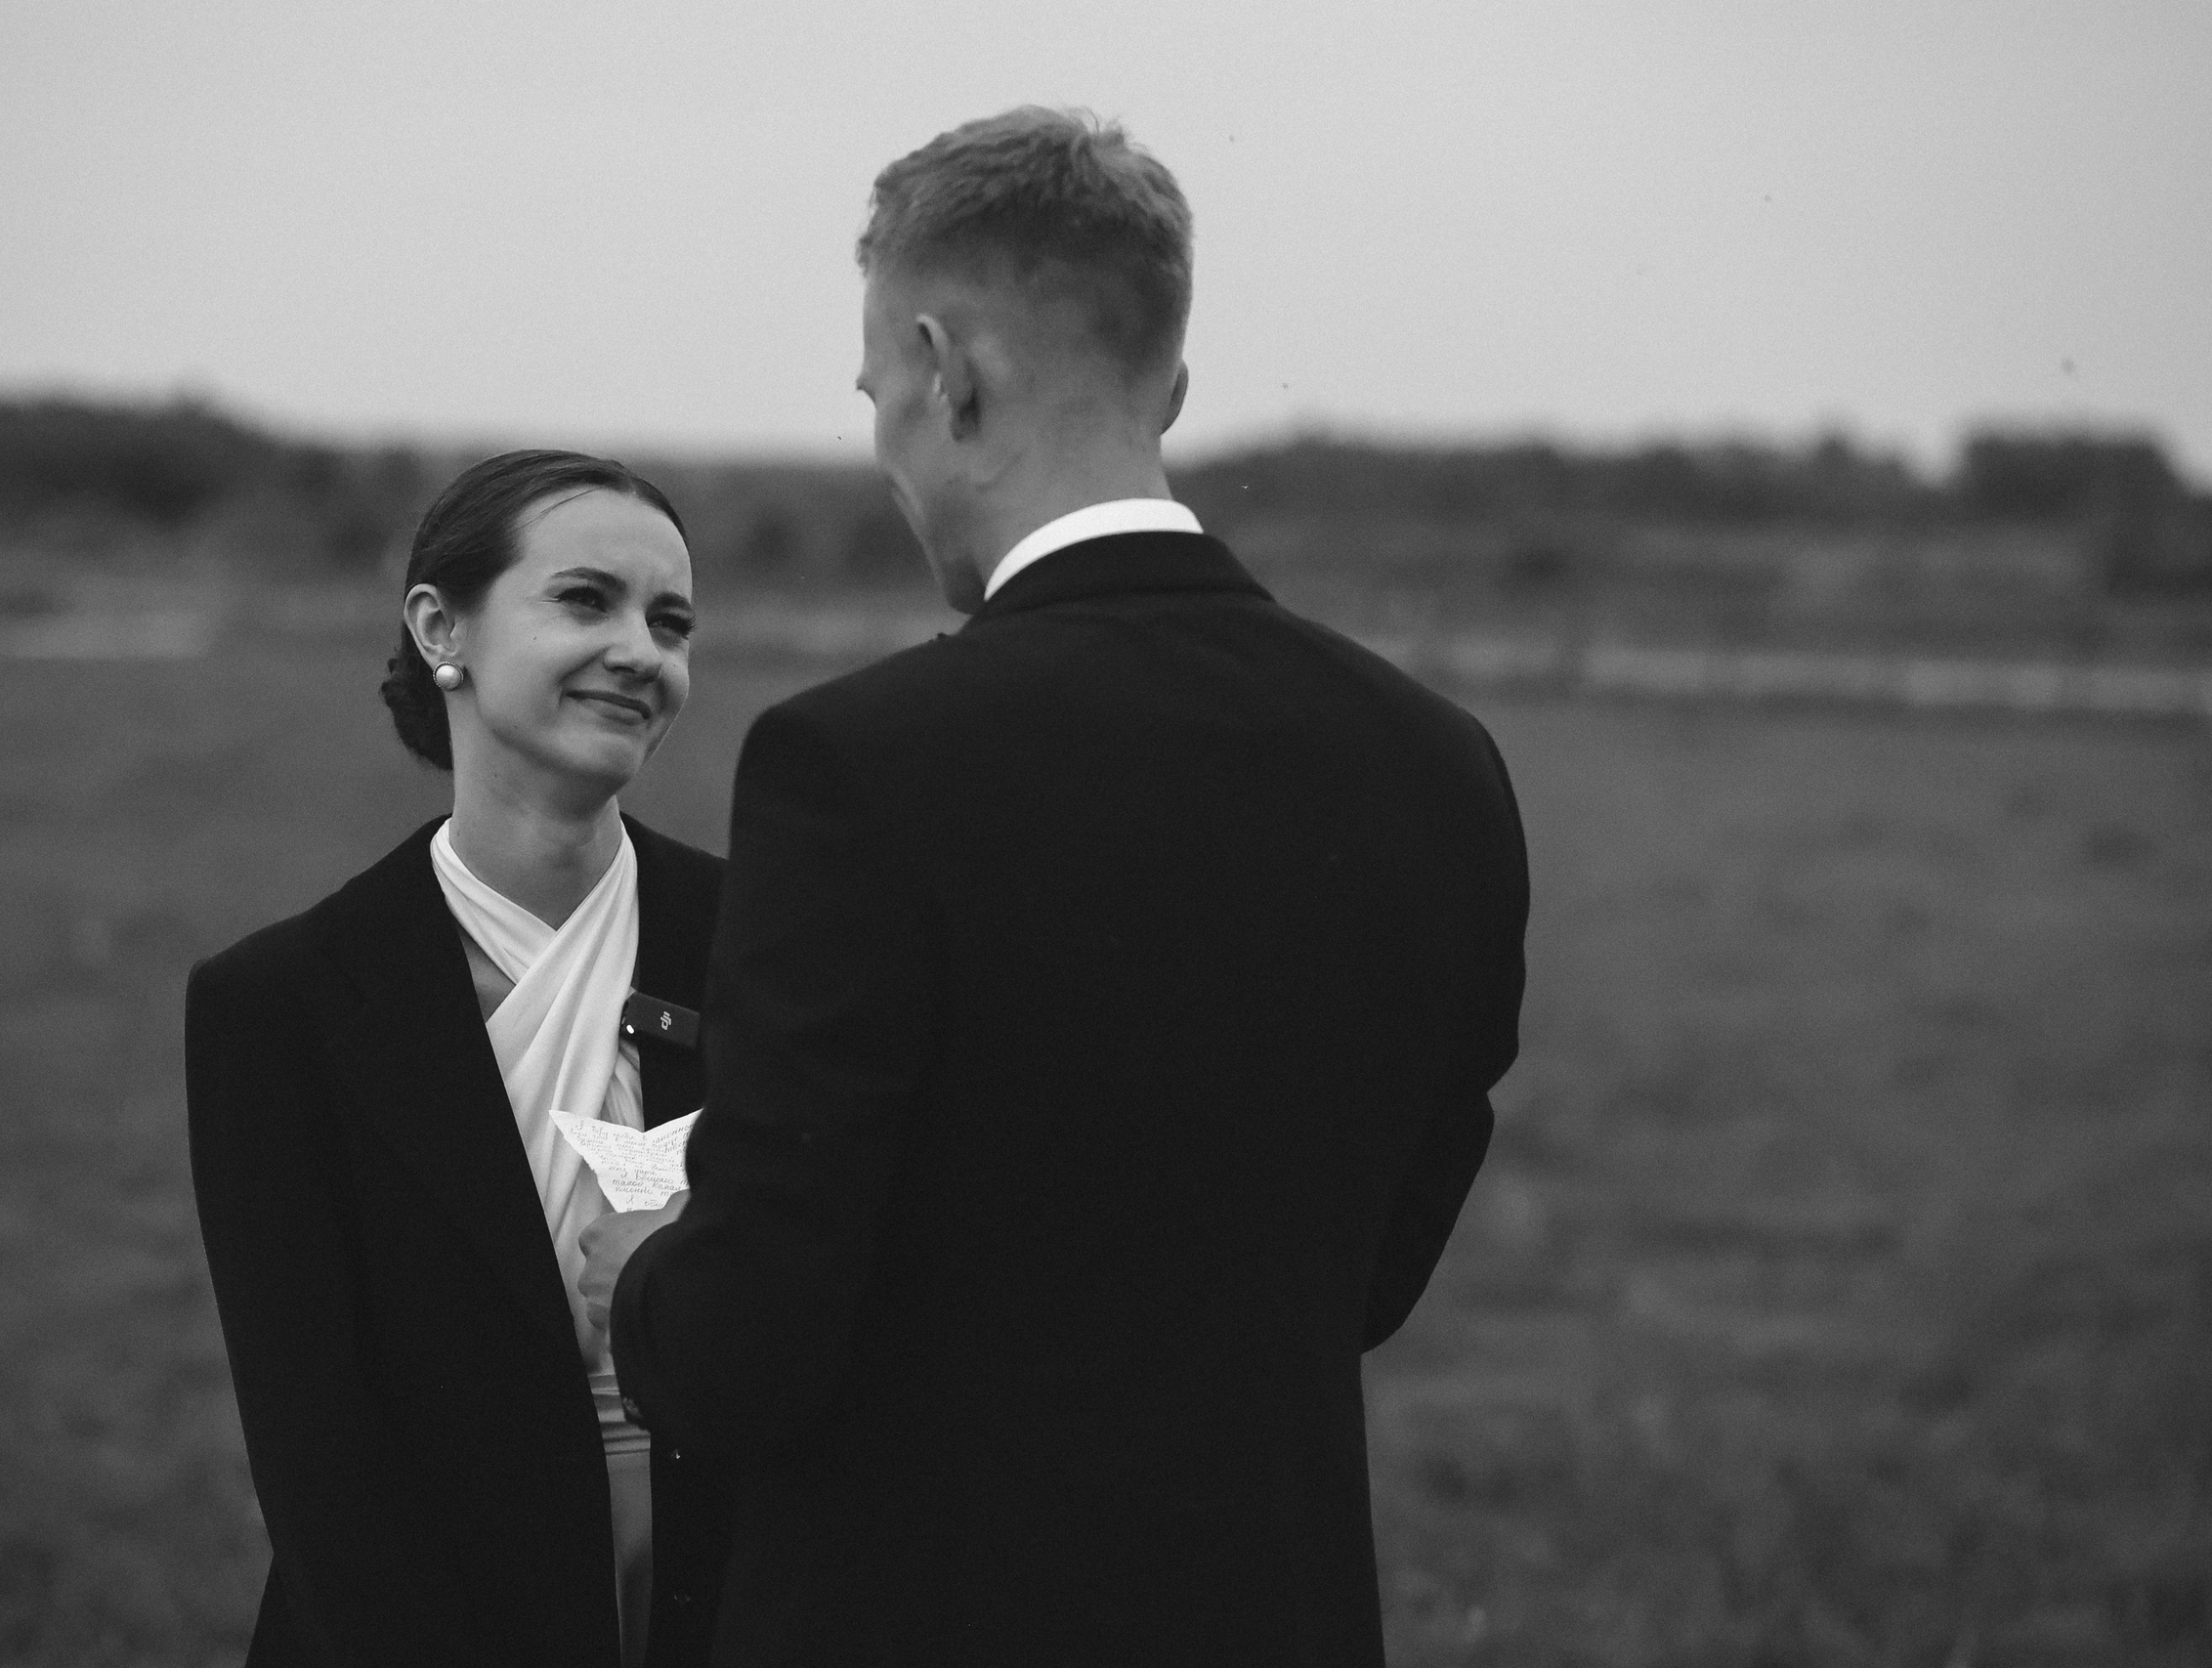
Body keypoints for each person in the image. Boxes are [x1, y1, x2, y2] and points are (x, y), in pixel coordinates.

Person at [586, 108, 1530, 1667]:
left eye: (879, 387)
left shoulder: (861, 765)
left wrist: (645, 1278)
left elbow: (754, 1347)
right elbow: (1369, 1272)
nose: (887, 444)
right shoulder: (1439, 762)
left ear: (949, 370)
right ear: (1169, 383)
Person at [186, 450, 731, 1668]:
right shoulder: (278, 1005)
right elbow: (315, 1444)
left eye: (672, 620)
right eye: (586, 601)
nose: (641, 650)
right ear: (443, 627)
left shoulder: (767, 948)